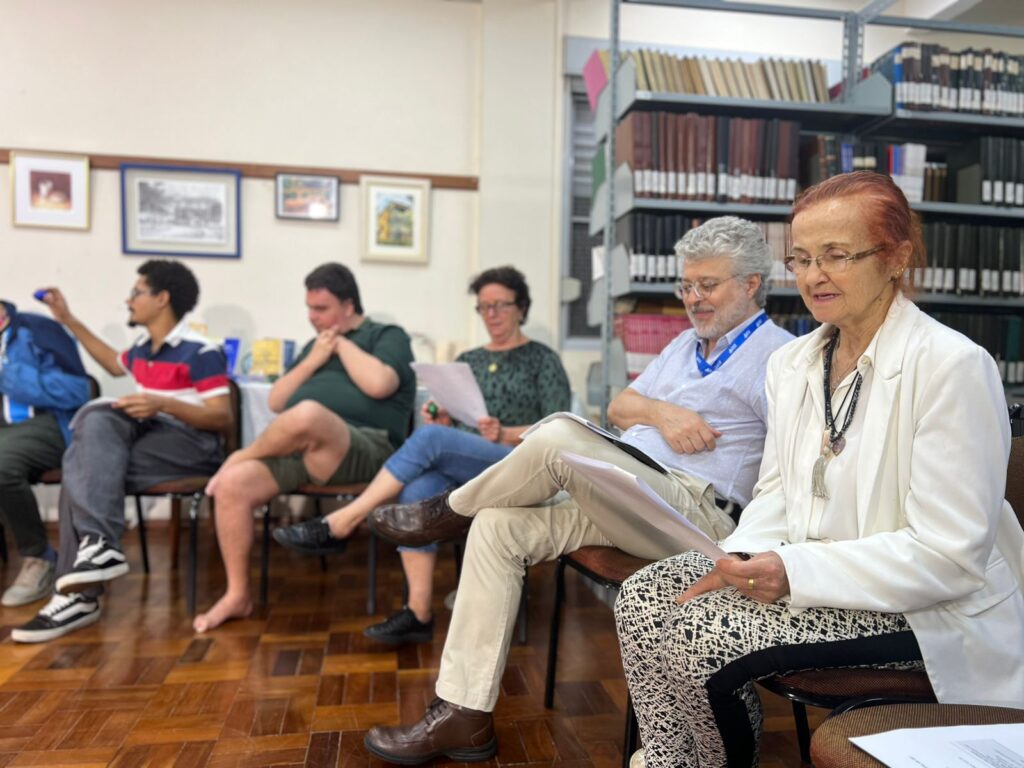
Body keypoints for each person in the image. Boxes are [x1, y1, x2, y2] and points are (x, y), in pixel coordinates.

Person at [614, 171, 1024, 768]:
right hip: (819, 569)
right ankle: (673, 760)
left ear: (896, 257)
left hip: (928, 608)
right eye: (801, 259)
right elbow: (778, 489)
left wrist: (792, 569)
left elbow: (949, 556)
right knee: (645, 597)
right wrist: (741, 556)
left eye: (836, 255)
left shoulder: (952, 366)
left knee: (695, 633)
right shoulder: (792, 363)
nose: (813, 276)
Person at [362, 216, 795, 764]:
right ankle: (462, 716)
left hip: (701, 515)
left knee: (559, 433)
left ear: (751, 283)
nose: (693, 298)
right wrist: (663, 414)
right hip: (633, 494)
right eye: (685, 286)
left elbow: (790, 466)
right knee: (499, 527)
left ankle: (448, 512)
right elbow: (619, 407)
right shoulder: (685, 345)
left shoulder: (780, 358)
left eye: (707, 285)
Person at [273, 266, 571, 645]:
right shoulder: (470, 359)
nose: (491, 314)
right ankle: (418, 613)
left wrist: (508, 432)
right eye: (483, 307)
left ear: (521, 307)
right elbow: (464, 419)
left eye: (500, 305)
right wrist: (446, 415)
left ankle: (343, 522)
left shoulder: (541, 359)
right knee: (418, 489)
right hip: (472, 461)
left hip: (522, 463)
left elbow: (561, 429)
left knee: (429, 439)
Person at [13, 260, 231, 643]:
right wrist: (67, 319)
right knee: (85, 450)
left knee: (84, 456)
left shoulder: (200, 350)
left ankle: (79, 593)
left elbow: (221, 417)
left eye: (136, 292)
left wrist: (162, 404)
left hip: (193, 445)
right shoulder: (145, 349)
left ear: (162, 299)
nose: (129, 300)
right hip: (150, 444)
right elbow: (112, 363)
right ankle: (91, 563)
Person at [194, 262, 416, 633]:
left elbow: (380, 384)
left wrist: (341, 343)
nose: (313, 318)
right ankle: (237, 595)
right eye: (309, 309)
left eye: (321, 309)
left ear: (348, 306)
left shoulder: (386, 335)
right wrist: (314, 358)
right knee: (233, 483)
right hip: (308, 452)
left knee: (309, 414)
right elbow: (277, 401)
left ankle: (243, 452)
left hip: (370, 448)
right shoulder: (315, 346)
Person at [0, 299, 90, 607]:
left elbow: (79, 390)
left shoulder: (37, 329)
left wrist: (8, 375)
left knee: (1, 462)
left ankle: (39, 558)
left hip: (45, 425)